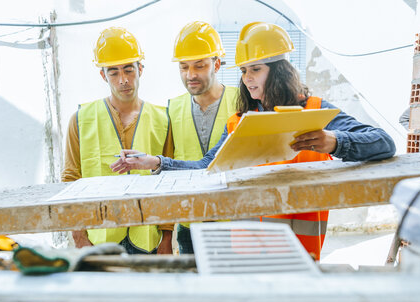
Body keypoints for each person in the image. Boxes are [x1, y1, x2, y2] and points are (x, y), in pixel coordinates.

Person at [111, 22, 396, 260]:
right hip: (248, 251)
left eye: (256, 69)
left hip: (301, 253)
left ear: (280, 70)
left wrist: (334, 142)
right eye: (244, 70)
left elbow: (383, 142)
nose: (247, 78)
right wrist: (157, 162)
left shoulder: (315, 112)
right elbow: (207, 165)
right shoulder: (240, 121)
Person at [62, 27, 174, 254]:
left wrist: (166, 238)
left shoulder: (163, 118)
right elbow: (70, 180)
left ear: (140, 69)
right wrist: (79, 236)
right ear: (103, 75)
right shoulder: (81, 119)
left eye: (128, 69)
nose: (123, 80)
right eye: (113, 72)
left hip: (148, 237)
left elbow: (170, 180)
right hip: (98, 238)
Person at [167, 21, 238, 254]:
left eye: (199, 66)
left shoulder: (242, 101)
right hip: (190, 223)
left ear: (216, 64)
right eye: (184, 67)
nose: (191, 74)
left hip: (235, 221)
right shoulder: (172, 109)